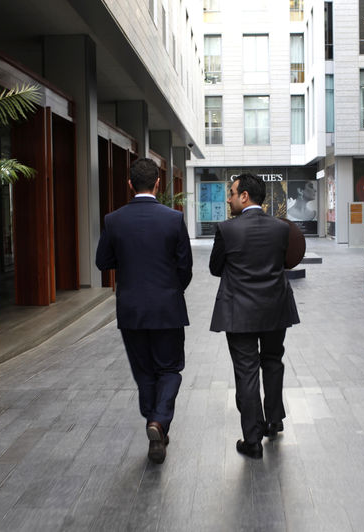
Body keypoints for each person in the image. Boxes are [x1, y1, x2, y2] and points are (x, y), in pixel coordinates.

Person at [95, 158, 193, 464]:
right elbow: (185, 267)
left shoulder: (114, 220)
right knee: (170, 368)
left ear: (129, 184)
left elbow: (102, 262)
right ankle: (159, 421)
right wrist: (171, 291)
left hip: (132, 310)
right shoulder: (173, 219)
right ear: (158, 183)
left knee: (144, 372)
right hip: (167, 309)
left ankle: (154, 423)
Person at [209, 173, 300, 459]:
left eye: (232, 193)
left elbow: (215, 268)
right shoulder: (281, 228)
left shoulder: (227, 229)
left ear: (244, 196)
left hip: (240, 312)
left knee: (246, 372)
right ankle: (274, 420)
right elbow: (284, 262)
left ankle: (252, 440)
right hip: (275, 307)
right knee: (273, 361)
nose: (229, 198)